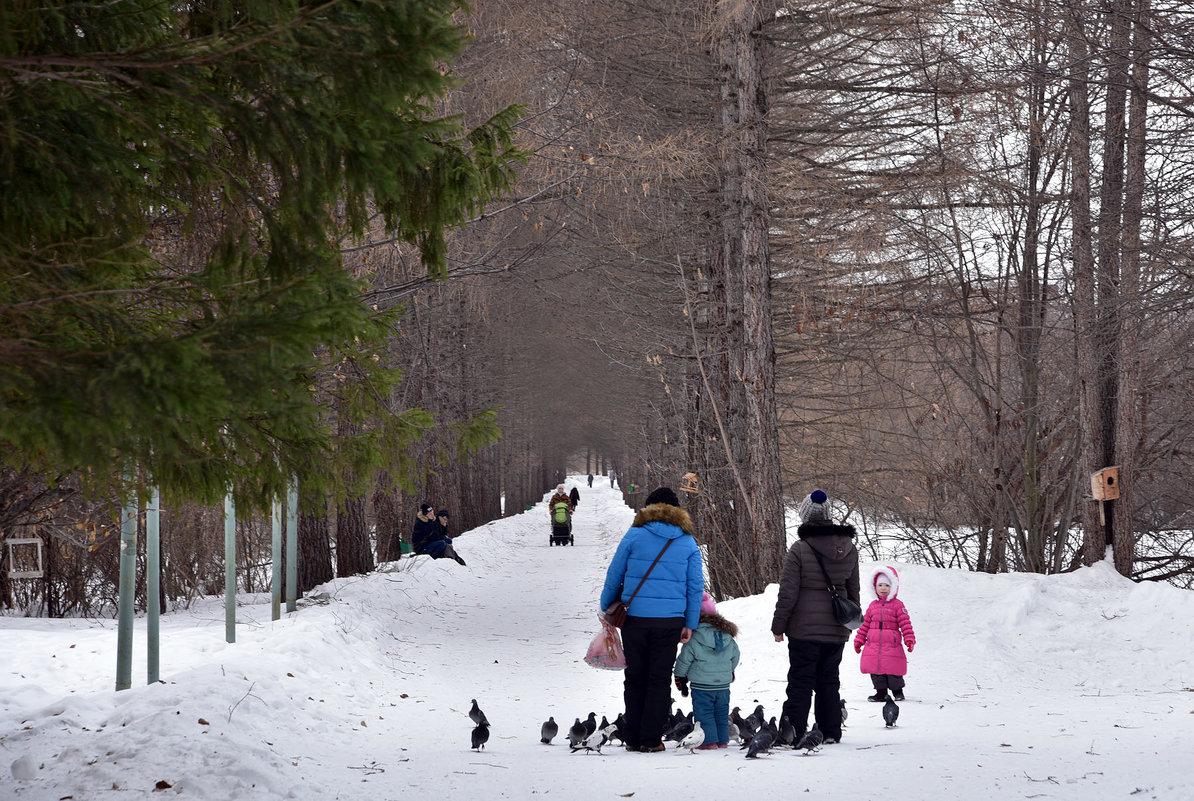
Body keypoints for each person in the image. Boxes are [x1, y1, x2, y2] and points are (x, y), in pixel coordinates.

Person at [599, 487, 703, 753]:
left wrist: (606, 608)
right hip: (669, 622)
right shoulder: (687, 541)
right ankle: (651, 739)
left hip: (634, 618)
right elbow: (694, 587)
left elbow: (615, 574)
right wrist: (689, 623)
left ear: (648, 509)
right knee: (658, 679)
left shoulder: (634, 535)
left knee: (634, 677)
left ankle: (632, 737)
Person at [771, 489, 859, 745]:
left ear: (804, 516)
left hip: (803, 630)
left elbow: (788, 592)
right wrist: (850, 623)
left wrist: (779, 625)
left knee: (800, 680)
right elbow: (853, 590)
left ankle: (792, 732)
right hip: (836, 627)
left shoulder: (800, 548)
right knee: (829, 681)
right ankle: (830, 731)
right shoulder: (849, 548)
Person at [673, 592, 739, 750]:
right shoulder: (727, 636)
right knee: (721, 714)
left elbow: (684, 660)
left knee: (705, 714)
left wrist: (680, 676)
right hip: (723, 686)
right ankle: (723, 740)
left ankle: (709, 742)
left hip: (702, 686)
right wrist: (729, 671)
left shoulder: (694, 637)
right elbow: (735, 656)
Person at [854, 566, 916, 702]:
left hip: (891, 644)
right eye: (880, 585)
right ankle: (880, 693)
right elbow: (864, 625)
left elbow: (905, 624)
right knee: (876, 671)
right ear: (875, 587)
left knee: (893, 670)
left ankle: (897, 691)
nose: (883, 588)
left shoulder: (898, 605)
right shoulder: (872, 606)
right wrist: (859, 640)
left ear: (893, 587)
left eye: (887, 585)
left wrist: (909, 639)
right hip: (873, 645)